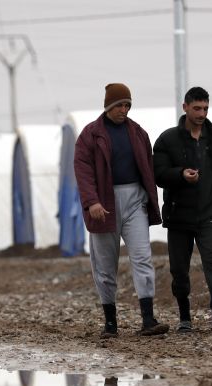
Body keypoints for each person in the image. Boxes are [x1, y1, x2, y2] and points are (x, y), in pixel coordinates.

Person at [74, 83, 169, 338]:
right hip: (104, 203)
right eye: (119, 105)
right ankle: (110, 323)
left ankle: (148, 320)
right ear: (108, 106)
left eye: (127, 105)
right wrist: (91, 201)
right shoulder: (90, 135)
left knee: (142, 257)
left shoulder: (138, 133)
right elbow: (83, 171)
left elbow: (148, 167)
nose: (124, 110)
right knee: (105, 264)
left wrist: (151, 198)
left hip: (134, 200)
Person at [153, 86, 212, 333]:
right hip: (180, 215)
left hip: (211, 213)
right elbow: (158, 173)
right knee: (179, 269)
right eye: (197, 108)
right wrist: (180, 174)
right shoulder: (168, 139)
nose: (202, 113)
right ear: (185, 107)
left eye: (206, 108)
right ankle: (184, 317)